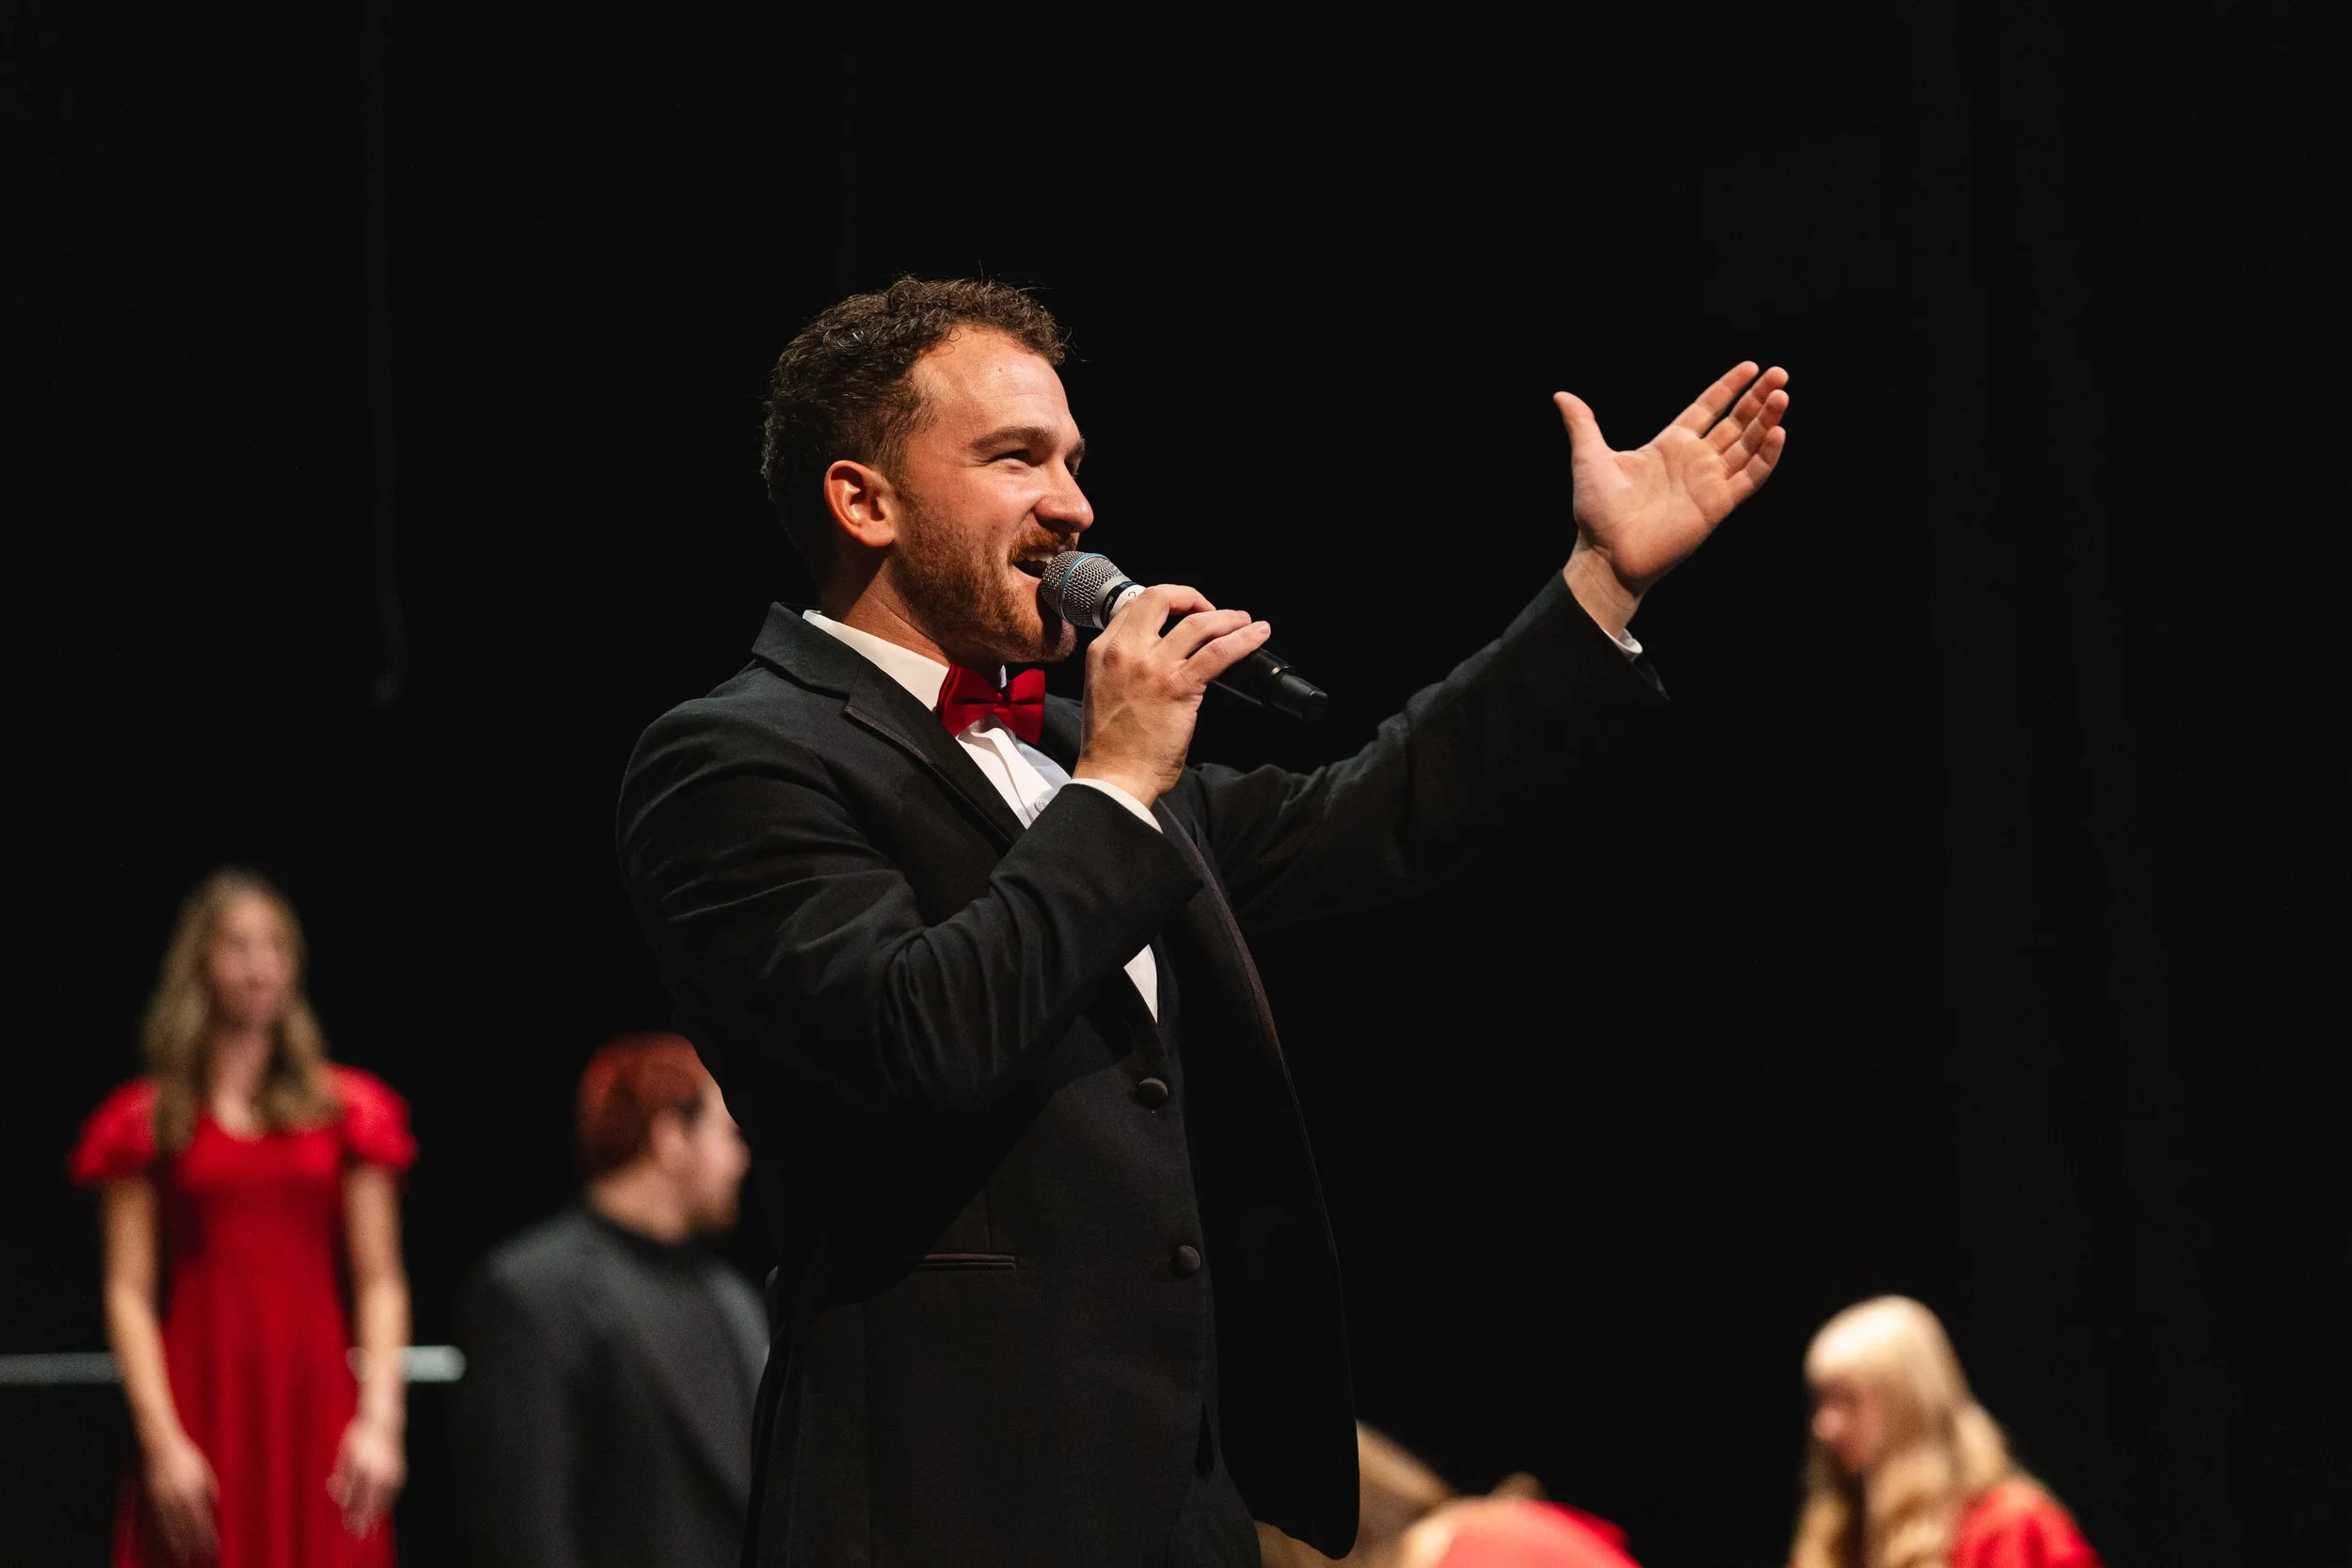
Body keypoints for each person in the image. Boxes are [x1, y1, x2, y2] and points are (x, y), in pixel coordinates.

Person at [616, 277, 1788, 1566]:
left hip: (1184, 1503)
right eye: (1016, 458)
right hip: (945, 1496)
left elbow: (1371, 809)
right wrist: (1115, 782)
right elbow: (913, 1035)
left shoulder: (1074, 754)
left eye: (1073, 460)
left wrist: (1599, 583)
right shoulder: (733, 758)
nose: (1073, 504)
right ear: (865, 501)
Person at [71, 868, 415, 1567]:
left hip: (315, 1399)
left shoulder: (348, 1110)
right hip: (201, 1393)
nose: (259, 963)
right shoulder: (147, 1119)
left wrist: (381, 1418)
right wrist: (161, 1439)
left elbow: (381, 1278)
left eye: (275, 945)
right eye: (238, 945)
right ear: (200, 962)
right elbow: (127, 1290)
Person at [454, 1033, 765, 1568]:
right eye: (729, 1133)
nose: (743, 1158)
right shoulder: (532, 1293)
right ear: (670, 1136)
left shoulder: (734, 1299)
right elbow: (528, 1530)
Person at [1790, 1296, 2104, 1568]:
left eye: (1848, 1400)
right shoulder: (1836, 1537)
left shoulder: (2011, 1526)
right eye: (1823, 1401)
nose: (1825, 1427)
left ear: (1909, 1404)